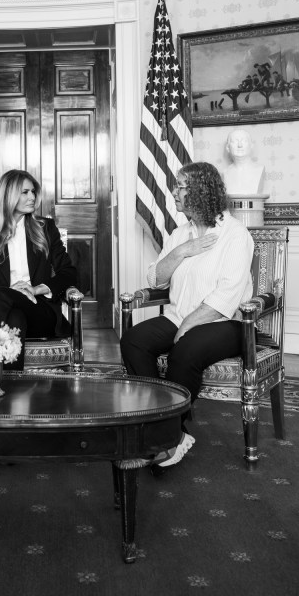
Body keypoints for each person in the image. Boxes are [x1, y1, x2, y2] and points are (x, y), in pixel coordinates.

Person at [120, 161, 254, 468]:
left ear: (200, 191)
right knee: (134, 340)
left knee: (185, 349)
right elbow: (155, 279)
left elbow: (228, 294)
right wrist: (182, 251)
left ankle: (166, 436)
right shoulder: (180, 234)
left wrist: (189, 325)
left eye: (180, 186)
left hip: (226, 322)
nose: (174, 192)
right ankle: (163, 427)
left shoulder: (235, 235)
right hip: (179, 316)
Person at [0, 170, 78, 370]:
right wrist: (10, 292)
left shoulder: (45, 228)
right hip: (2, 311)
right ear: (8, 195)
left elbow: (69, 273)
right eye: (25, 192)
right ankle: (12, 384)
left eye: (33, 192)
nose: (32, 197)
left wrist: (37, 289)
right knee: (14, 317)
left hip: (39, 311)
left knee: (2, 297)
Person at [223, 128, 265, 195]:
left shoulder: (259, 169)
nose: (240, 145)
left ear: (251, 145)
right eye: (234, 141)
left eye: (244, 141)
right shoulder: (225, 173)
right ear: (228, 148)